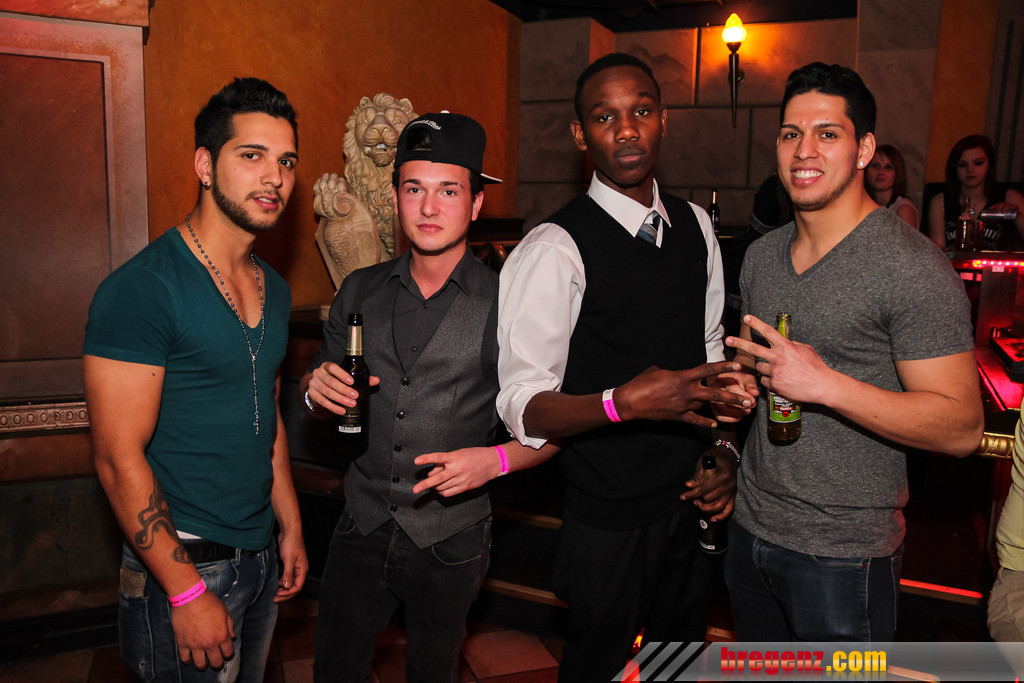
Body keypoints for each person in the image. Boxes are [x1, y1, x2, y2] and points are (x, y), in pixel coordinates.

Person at [496, 52, 753, 682]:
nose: (627, 129)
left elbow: (709, 352)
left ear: (664, 119)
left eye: (640, 111)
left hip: (688, 499)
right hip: (606, 516)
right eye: (605, 117)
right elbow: (522, 404)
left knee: (678, 660)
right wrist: (622, 403)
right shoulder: (554, 247)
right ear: (581, 135)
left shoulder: (695, 226)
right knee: (597, 666)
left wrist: (724, 448)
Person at [723, 62, 984, 641]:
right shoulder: (762, 256)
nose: (803, 150)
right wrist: (738, 386)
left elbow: (962, 428)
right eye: (791, 133)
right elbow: (757, 367)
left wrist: (826, 385)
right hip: (751, 529)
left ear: (864, 149)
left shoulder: (911, 266)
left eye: (827, 133)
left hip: (844, 558)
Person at [303, 112, 556, 683]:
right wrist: (313, 391)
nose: (429, 207)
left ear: (475, 203)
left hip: (450, 537)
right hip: (360, 523)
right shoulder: (359, 290)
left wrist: (493, 461)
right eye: (414, 189)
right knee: (334, 671)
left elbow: (555, 427)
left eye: (449, 190)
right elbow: (319, 388)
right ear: (396, 198)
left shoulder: (509, 303)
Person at [83, 78, 308, 682]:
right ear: (205, 166)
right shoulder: (144, 289)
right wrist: (184, 591)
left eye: (286, 161)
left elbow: (265, 413)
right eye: (252, 155)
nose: (274, 177)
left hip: (259, 553)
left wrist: (289, 525)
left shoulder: (275, 288)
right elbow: (116, 457)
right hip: (185, 563)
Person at [927, 134, 1024, 250]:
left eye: (978, 163)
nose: (970, 170)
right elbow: (937, 250)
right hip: (953, 262)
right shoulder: (940, 201)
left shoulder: (1010, 197)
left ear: (989, 164)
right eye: (962, 165)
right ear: (954, 168)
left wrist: (1016, 215)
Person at [865, 143, 919, 228]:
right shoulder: (863, 204)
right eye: (875, 165)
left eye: (888, 167)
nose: (881, 172)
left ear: (898, 173)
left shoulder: (904, 208)